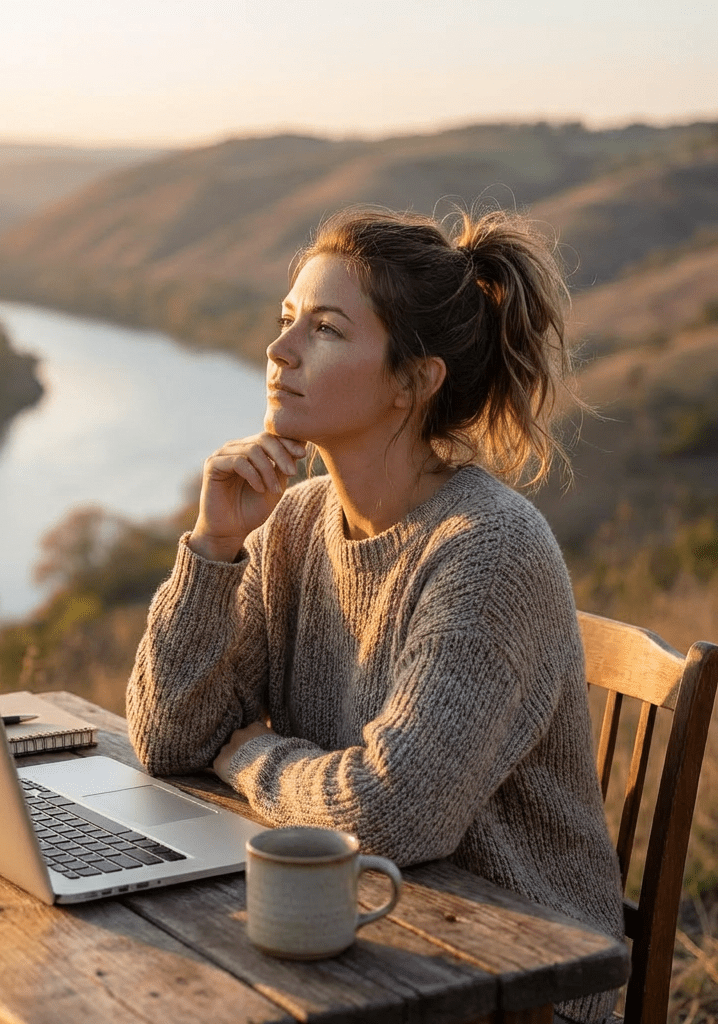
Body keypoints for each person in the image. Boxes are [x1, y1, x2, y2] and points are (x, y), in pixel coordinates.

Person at [125, 206, 624, 1023]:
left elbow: (392, 813)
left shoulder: (488, 550)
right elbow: (171, 738)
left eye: (323, 330)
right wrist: (214, 548)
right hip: (367, 932)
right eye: (286, 322)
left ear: (413, 381)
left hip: (522, 978)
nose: (278, 352)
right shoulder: (289, 524)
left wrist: (249, 757)